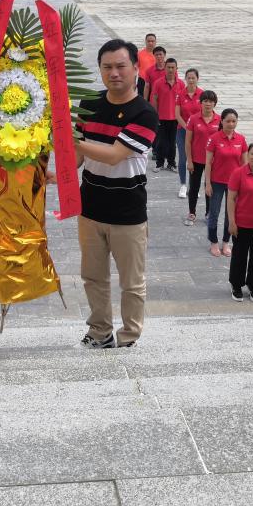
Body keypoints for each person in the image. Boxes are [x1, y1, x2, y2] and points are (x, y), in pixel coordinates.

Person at [75, 39, 158, 349]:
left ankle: (128, 337)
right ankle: (100, 332)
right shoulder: (89, 104)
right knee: (93, 277)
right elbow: (79, 158)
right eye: (107, 67)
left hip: (128, 214)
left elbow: (113, 154)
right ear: (99, 69)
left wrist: (65, 136)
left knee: (132, 283)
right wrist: (54, 172)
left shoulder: (144, 113)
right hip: (90, 209)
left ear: (136, 68)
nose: (114, 73)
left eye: (121, 66)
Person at [226, 142, 253, 302]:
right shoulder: (238, 173)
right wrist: (231, 222)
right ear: (247, 155)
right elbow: (231, 198)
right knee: (239, 256)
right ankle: (236, 285)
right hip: (241, 223)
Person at [204, 108, 248, 257]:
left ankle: (226, 242)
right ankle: (213, 242)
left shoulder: (241, 139)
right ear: (221, 121)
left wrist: (245, 184)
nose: (230, 124)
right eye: (228, 121)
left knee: (231, 214)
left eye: (233, 121)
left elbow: (244, 164)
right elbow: (208, 163)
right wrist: (208, 183)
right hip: (216, 182)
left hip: (234, 184)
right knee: (214, 213)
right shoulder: (214, 138)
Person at [183, 90, 219, 226]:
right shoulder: (193, 119)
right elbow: (188, 141)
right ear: (201, 102)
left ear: (214, 103)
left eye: (211, 101)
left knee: (209, 187)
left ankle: (208, 213)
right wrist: (189, 160)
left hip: (213, 162)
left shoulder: (219, 120)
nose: (208, 104)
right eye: (205, 101)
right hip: (196, 159)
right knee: (194, 187)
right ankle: (192, 212)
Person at [150, 57, 184, 173]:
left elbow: (183, 102)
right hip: (161, 118)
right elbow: (154, 100)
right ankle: (159, 164)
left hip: (175, 119)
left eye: (172, 67)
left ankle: (171, 163)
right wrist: (155, 117)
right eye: (168, 67)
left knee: (172, 143)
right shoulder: (158, 83)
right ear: (164, 68)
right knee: (161, 143)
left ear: (176, 69)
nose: (170, 70)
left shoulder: (181, 84)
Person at [175, 68, 203, 199]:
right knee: (183, 158)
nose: (191, 80)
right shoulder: (180, 94)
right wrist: (187, 127)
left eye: (193, 78)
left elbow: (204, 113)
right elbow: (177, 114)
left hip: (198, 132)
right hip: (183, 131)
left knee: (195, 159)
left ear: (197, 79)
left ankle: (194, 186)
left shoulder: (202, 94)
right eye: (189, 78)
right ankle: (183, 184)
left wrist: (195, 127)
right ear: (185, 79)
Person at [136, 33, 157, 97]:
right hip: (143, 82)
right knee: (142, 102)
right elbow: (134, 68)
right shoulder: (139, 54)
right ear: (145, 41)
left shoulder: (159, 54)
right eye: (148, 41)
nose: (150, 43)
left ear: (155, 42)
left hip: (155, 82)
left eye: (152, 41)